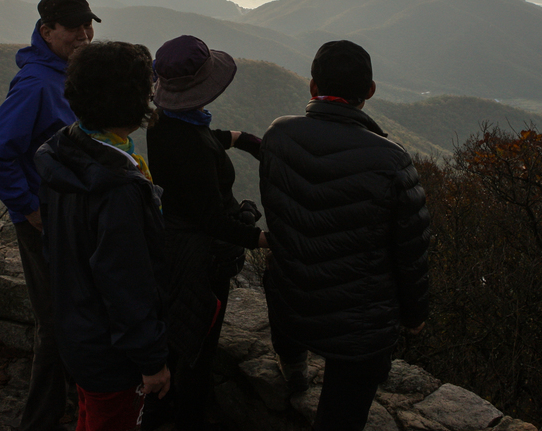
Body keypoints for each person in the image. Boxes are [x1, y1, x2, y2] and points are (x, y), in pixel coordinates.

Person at [259, 40, 431, 431]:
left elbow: (281, 215)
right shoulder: (391, 161)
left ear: (312, 87)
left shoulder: (278, 135)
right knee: (341, 417)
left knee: (288, 316)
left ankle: (295, 371)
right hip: (359, 321)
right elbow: (411, 250)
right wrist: (414, 313)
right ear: (369, 92)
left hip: (290, 295)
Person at [0, 0, 100, 431]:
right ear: (47, 31)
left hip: (67, 215)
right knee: (56, 320)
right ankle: (41, 419)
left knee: (71, 312)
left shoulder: (65, 72)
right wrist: (29, 209)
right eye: (73, 27)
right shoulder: (36, 85)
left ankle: (73, 397)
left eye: (88, 25)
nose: (84, 34)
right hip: (46, 221)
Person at [35, 41, 171, 431]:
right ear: (135, 104)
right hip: (112, 353)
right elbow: (126, 282)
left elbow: (57, 245)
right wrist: (152, 361)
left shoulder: (64, 151)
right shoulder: (118, 188)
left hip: (78, 329)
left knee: (91, 414)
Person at [144, 35, 268, 430]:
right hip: (202, 260)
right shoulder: (187, 138)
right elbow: (213, 220)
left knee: (183, 344)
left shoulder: (164, 122)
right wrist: (266, 239)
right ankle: (184, 418)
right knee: (196, 351)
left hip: (176, 246)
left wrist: (239, 139)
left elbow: (195, 145)